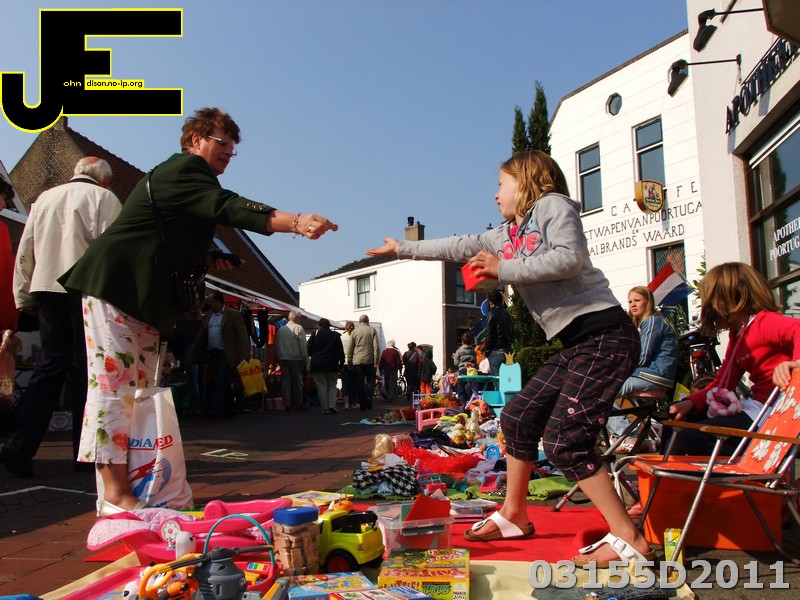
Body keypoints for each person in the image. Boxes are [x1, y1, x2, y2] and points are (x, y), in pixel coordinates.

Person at [367, 150, 648, 566]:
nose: (495, 194)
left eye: (501, 184)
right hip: (577, 345)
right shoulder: (504, 234)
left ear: (528, 179)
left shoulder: (553, 207)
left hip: (606, 336)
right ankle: (515, 513)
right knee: (517, 417)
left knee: (565, 440)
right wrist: (403, 248)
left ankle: (629, 537)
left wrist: (504, 269)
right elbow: (457, 244)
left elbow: (568, 258)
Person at [58, 107, 337, 515]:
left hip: (140, 297)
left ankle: (132, 483)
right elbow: (228, 205)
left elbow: (167, 234)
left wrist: (205, 257)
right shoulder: (185, 171)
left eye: (232, 148)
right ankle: (114, 493)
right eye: (221, 142)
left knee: (136, 393)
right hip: (117, 287)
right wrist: (294, 221)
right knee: (114, 387)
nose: (228, 152)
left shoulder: (187, 181)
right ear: (194, 140)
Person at [2, 158, 122, 477]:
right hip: (86, 289)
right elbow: (114, 252)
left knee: (49, 365)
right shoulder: (105, 199)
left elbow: (26, 248)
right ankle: (85, 454)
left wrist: (23, 296)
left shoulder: (45, 198)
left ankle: (20, 441)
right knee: (87, 369)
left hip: (47, 286)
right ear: (105, 180)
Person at [668, 262, 800, 455]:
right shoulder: (738, 334)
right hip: (758, 409)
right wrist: (691, 403)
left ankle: (745, 468)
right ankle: (667, 474)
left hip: (773, 413)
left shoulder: (764, 322)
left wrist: (796, 364)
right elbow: (723, 384)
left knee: (693, 437)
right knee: (676, 422)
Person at [606, 286, 678, 439]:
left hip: (652, 376)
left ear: (648, 302)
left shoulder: (652, 321)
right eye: (630, 301)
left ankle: (628, 435)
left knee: (601, 391)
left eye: (637, 300)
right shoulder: (646, 324)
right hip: (649, 375)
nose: (633, 304)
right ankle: (628, 434)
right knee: (602, 389)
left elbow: (643, 356)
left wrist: (618, 368)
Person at [188, 291, 250, 419]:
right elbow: (201, 334)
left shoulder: (233, 314)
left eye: (211, 301)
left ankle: (216, 410)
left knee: (220, 379)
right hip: (212, 352)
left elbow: (243, 335)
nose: (209, 303)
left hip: (226, 353)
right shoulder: (207, 315)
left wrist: (245, 353)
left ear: (218, 301)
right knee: (220, 380)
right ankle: (230, 409)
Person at [307, 318, 345, 414]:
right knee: (332, 385)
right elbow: (340, 351)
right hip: (332, 363)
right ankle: (332, 405)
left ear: (319, 326)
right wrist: (341, 363)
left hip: (318, 364)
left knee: (321, 386)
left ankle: (325, 408)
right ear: (329, 326)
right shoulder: (335, 335)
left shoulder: (315, 334)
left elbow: (308, 350)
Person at [276, 311, 310, 412]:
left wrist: (278, 357)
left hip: (283, 358)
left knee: (285, 382)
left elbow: (277, 345)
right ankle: (297, 403)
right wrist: (305, 359)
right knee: (297, 382)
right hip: (295, 358)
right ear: (295, 318)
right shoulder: (299, 328)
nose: (300, 320)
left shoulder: (281, 330)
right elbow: (303, 346)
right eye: (299, 318)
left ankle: (287, 404)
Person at [346, 314, 379, 411]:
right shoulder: (373, 330)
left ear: (359, 321)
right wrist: (376, 361)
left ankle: (362, 404)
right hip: (369, 360)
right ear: (368, 321)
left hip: (358, 361)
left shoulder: (354, 332)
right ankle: (368, 398)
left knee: (359, 383)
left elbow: (350, 348)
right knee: (371, 381)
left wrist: (349, 362)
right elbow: (376, 347)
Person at [482, 290, 514, 381]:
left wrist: (487, 351)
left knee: (498, 381)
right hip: (508, 351)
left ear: (491, 303)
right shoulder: (509, 315)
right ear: (502, 301)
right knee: (509, 381)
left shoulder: (491, 314)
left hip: (496, 351)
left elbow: (490, 335)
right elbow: (512, 333)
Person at [453, 332, 477, 404]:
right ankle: (471, 403)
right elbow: (475, 362)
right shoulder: (473, 351)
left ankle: (462, 404)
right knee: (471, 388)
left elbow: (456, 363)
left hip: (463, 370)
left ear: (462, 341)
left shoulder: (459, 351)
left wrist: (454, 358)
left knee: (461, 389)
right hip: (472, 371)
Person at [339, 321, 355, 409]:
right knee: (354, 383)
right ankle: (353, 403)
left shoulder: (341, 337)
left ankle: (346, 403)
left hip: (344, 362)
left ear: (345, 328)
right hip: (354, 362)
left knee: (345, 383)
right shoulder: (355, 337)